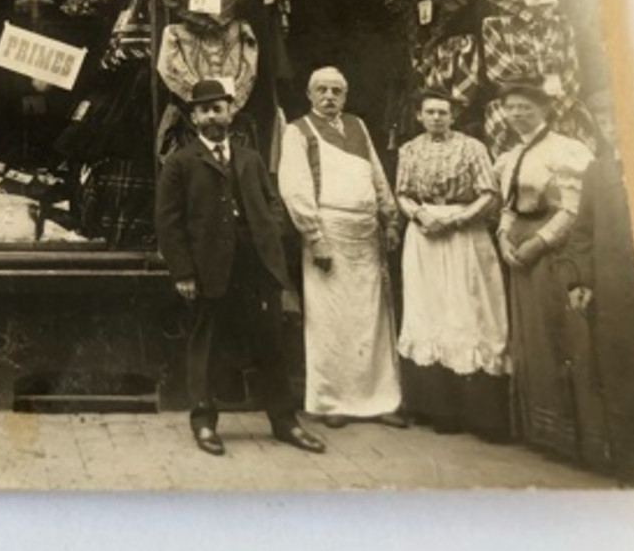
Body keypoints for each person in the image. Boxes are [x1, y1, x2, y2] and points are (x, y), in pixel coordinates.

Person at [156, 78, 326, 457]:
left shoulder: (250, 158)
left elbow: (272, 204)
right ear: (194, 117)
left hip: (255, 267)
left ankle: (285, 422)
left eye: (219, 108)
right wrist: (183, 272)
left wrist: (272, 247)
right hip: (207, 269)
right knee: (206, 345)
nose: (213, 116)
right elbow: (168, 224)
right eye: (204, 110)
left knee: (270, 343)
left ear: (231, 112)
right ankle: (203, 423)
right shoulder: (180, 164)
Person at [553, 92, 634, 482]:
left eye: (618, 116)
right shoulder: (598, 172)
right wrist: (578, 279)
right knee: (624, 376)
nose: (611, 125)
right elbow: (583, 234)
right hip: (617, 292)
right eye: (603, 120)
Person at [278, 67, 406, 429]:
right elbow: (294, 188)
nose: (329, 97)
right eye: (322, 90)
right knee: (331, 319)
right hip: (328, 234)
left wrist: (390, 218)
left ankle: (378, 401)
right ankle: (333, 401)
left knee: (372, 320)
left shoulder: (358, 126)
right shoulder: (297, 131)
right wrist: (315, 236)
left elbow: (377, 175)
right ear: (309, 94)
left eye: (336, 91)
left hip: (366, 235)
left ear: (345, 96)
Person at [493, 79, 601, 463]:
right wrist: (504, 237)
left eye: (526, 106)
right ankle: (537, 431)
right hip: (517, 246)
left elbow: (571, 210)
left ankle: (571, 437)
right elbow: (507, 206)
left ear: (544, 110)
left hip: (550, 249)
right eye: (511, 107)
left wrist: (537, 244)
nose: (517, 113)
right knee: (529, 335)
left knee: (556, 333)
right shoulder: (509, 155)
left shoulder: (566, 150)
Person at [394, 90, 511, 441]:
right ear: (419, 116)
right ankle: (438, 410)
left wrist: (458, 219)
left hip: (464, 233)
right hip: (425, 233)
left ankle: (482, 416)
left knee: (470, 309)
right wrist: (420, 214)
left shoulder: (472, 147)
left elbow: (489, 193)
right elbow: (402, 192)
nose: (436, 118)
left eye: (443, 112)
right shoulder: (409, 150)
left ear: (453, 115)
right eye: (430, 112)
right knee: (430, 311)